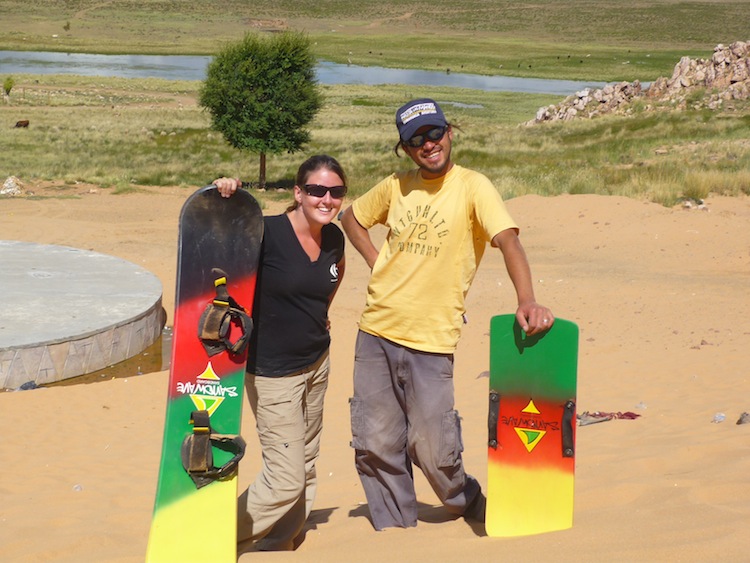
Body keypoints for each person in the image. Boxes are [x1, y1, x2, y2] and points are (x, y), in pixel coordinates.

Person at [339, 98, 554, 531]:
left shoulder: (474, 187)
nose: (428, 145)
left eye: (434, 133)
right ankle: (395, 531)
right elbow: (350, 217)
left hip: (432, 341)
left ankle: (465, 501)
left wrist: (527, 298)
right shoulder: (395, 186)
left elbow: (508, 240)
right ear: (405, 148)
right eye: (415, 140)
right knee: (377, 442)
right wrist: (377, 261)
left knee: (433, 448)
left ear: (449, 133)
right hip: (376, 331)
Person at [213, 154, 347, 550]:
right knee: (285, 476)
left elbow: (335, 272)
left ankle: (282, 539)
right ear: (298, 193)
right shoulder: (265, 231)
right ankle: (210, 534)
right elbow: (220, 249)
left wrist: (320, 313)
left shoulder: (334, 237)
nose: (326, 199)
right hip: (273, 373)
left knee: (306, 457)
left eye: (335, 192)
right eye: (316, 190)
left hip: (317, 363)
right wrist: (227, 196)